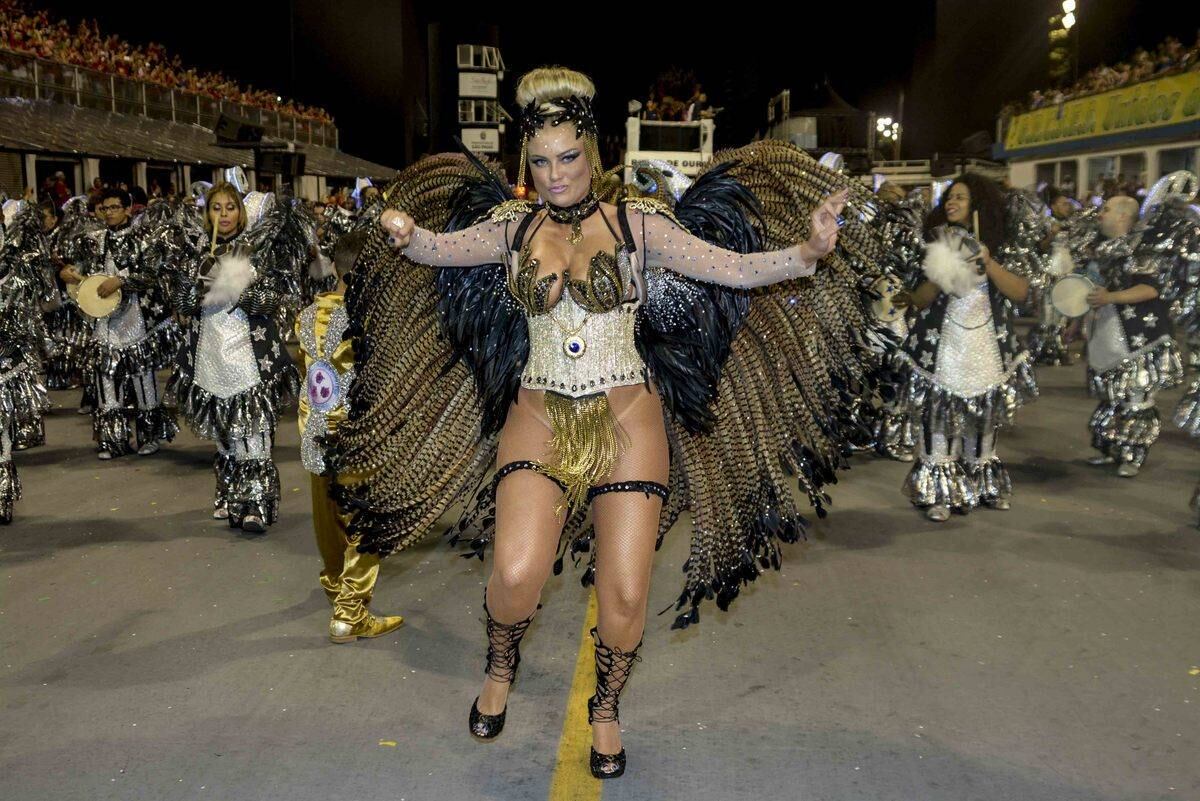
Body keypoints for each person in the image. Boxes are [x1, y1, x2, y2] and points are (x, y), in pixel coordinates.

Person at [333, 66, 884, 780]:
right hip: (540, 410)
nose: (556, 172)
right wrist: (406, 232)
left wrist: (808, 252)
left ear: (591, 152)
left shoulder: (640, 225)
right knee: (516, 572)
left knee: (625, 592)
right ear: (524, 162)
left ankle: (606, 708)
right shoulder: (511, 227)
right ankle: (501, 660)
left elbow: (735, 270)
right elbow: (437, 250)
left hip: (627, 415)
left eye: (568, 156)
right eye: (540, 159)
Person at [164, 183, 308, 532]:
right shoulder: (195, 251)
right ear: (207, 212)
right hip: (208, 357)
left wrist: (233, 283)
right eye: (216, 208)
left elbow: (269, 303)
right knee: (225, 437)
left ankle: (255, 505)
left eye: (230, 207)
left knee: (253, 434)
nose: (223, 214)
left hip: (250, 356)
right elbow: (183, 306)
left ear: (240, 213)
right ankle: (231, 496)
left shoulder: (258, 251)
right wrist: (193, 283)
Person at [898, 174, 1039, 521]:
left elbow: (1021, 292)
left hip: (987, 344)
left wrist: (988, 263)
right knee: (938, 414)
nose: (951, 202)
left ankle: (982, 484)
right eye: (949, 197)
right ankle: (939, 494)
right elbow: (922, 298)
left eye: (960, 197)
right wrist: (940, 273)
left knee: (985, 415)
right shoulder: (937, 244)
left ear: (979, 205)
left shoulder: (1002, 246)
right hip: (943, 346)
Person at [297, 229, 404, 641]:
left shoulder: (308, 315)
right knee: (367, 522)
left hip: (315, 435)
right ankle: (350, 612)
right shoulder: (372, 322)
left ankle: (335, 589)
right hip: (358, 439)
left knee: (329, 523)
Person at [61, 188, 179, 459]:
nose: (110, 212)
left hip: (135, 318)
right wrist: (68, 274)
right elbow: (79, 272)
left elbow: (152, 274)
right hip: (103, 319)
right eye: (105, 208)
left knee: (141, 378)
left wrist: (123, 281)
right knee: (105, 378)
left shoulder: (143, 239)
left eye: (115, 207)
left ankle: (149, 437)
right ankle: (112, 442)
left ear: (128, 209)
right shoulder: (92, 241)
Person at [1076, 195, 1183, 476]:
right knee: (1114, 398)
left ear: (1123, 216)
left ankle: (1132, 454)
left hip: (1143, 340)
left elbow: (1150, 289)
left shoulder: (1144, 248)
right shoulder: (1104, 249)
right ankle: (1113, 449)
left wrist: (1110, 296)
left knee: (1136, 397)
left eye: (1106, 209)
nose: (1100, 214)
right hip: (1112, 338)